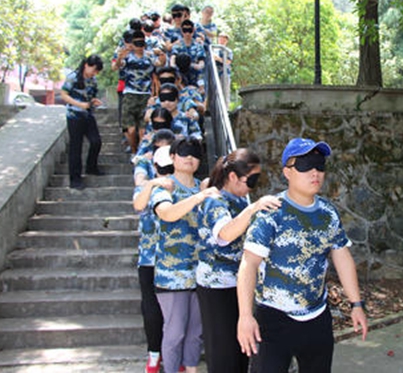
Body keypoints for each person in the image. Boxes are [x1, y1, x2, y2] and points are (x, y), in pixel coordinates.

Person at [237, 138, 368, 373]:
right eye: (305, 165)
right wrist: (245, 316)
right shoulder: (271, 212)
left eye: (319, 165)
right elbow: (249, 263)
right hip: (274, 319)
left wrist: (356, 304)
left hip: (317, 318)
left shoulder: (328, 213)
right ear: (287, 172)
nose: (314, 172)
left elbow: (341, 255)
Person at [196, 149, 281, 373]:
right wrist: (254, 207)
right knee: (223, 355)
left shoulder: (240, 200)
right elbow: (224, 233)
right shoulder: (215, 200)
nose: (253, 186)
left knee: (241, 349)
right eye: (251, 180)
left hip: (238, 284)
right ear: (233, 177)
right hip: (216, 287)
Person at [150, 138, 220, 373]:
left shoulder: (205, 188)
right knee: (175, 332)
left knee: (195, 333)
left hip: (201, 273)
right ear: (172, 157)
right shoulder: (166, 187)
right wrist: (198, 198)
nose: (189, 157)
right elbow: (167, 213)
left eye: (195, 153)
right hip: (172, 274)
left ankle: (191, 370)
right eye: (183, 152)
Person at [132, 130, 176, 373]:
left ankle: (174, 355)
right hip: (150, 257)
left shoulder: (183, 184)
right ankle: (154, 354)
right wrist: (152, 183)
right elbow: (138, 205)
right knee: (151, 308)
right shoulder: (148, 182)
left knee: (176, 313)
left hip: (178, 259)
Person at [59, 54, 104, 190]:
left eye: (97, 71)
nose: (94, 73)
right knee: (75, 148)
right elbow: (64, 95)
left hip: (88, 115)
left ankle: (91, 167)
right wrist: (79, 104)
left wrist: (94, 101)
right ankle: (75, 179)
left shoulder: (93, 80)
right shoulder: (73, 77)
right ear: (86, 65)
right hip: (74, 116)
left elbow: (91, 96)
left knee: (96, 141)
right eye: (94, 70)